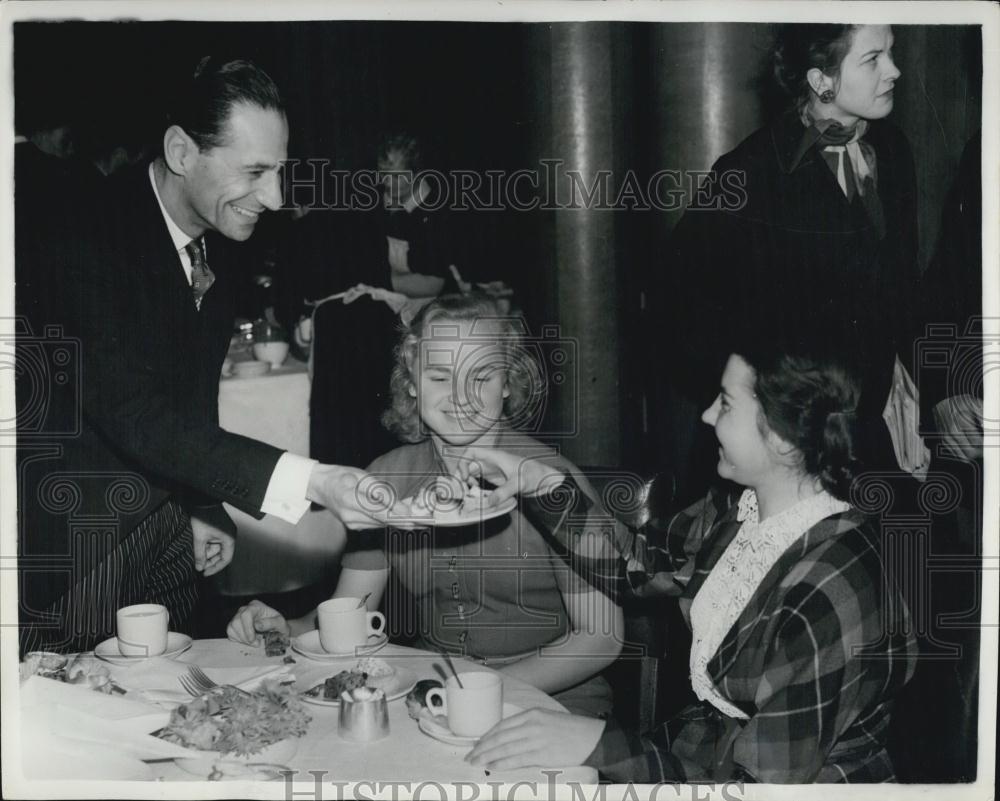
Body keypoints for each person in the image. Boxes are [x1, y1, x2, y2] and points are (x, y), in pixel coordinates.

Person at [17, 57, 404, 655]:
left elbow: (189, 398)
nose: (274, 197)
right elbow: (136, 412)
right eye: (254, 171)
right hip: (84, 543)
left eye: (278, 172)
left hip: (168, 527)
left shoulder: (216, 243)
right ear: (180, 152)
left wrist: (202, 503)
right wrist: (318, 481)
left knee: (174, 703)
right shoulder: (81, 234)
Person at [460, 345, 918, 782]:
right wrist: (540, 484)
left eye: (725, 402)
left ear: (781, 435)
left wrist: (599, 745)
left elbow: (755, 784)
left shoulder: (832, 585)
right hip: (706, 759)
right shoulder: (738, 510)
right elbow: (636, 566)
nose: (706, 416)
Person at [229, 294, 624, 715]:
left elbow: (601, 639)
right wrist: (284, 628)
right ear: (412, 382)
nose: (460, 396)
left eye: (481, 377)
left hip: (551, 702)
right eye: (440, 376)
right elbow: (352, 614)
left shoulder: (550, 480)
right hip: (431, 694)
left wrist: (478, 689)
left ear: (506, 383)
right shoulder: (385, 478)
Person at [660, 24, 920, 496]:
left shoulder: (894, 152)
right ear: (821, 80)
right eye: (873, 58)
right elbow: (680, 310)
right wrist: (767, 403)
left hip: (874, 442)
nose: (894, 70)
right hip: (785, 454)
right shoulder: (747, 174)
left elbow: (901, 291)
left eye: (893, 52)